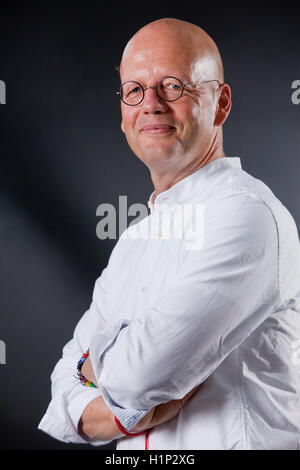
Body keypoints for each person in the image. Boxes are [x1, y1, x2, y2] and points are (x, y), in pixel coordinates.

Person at [38, 18, 300, 450]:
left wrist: (95, 368)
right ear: (123, 114)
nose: (151, 104)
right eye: (134, 90)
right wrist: (114, 415)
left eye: (173, 85)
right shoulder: (133, 241)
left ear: (220, 103)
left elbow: (136, 376)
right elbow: (63, 388)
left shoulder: (246, 217)